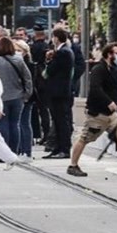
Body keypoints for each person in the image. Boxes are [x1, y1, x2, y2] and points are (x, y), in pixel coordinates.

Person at [67, 43, 117, 177]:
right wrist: (109, 102)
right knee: (85, 138)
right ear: (108, 54)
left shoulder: (113, 69)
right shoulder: (99, 69)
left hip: (112, 115)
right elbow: (95, 88)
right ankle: (73, 165)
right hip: (98, 113)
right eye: (116, 53)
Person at [0, 37, 33, 153]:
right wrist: (27, 94)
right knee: (15, 124)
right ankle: (14, 151)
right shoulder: (19, 60)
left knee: (3, 124)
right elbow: (27, 78)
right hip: (18, 97)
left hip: (2, 98)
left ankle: (5, 152)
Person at [42, 28, 74, 159]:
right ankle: (58, 148)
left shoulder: (63, 52)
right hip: (60, 91)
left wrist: (49, 61)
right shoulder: (65, 51)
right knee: (58, 120)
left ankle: (64, 148)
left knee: (61, 121)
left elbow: (51, 70)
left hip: (59, 91)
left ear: (56, 38)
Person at [15, 40, 36, 161]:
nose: (17, 53)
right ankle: (20, 149)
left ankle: (26, 151)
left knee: (24, 123)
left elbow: (29, 81)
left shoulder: (29, 65)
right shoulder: (16, 63)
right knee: (19, 123)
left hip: (26, 97)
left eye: (19, 50)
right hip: (18, 96)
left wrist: (26, 96)